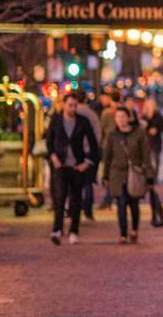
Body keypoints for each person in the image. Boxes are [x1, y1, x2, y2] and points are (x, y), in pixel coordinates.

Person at [44, 92, 99, 245]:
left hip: (77, 166)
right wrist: (53, 156)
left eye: (75, 106)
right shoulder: (56, 120)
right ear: (64, 105)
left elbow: (94, 144)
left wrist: (87, 162)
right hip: (60, 166)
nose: (73, 108)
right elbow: (48, 141)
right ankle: (57, 229)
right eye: (70, 105)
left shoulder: (83, 121)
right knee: (59, 198)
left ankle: (74, 231)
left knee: (76, 200)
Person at [102, 105, 154, 244]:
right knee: (121, 203)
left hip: (135, 174)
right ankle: (123, 233)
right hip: (117, 174)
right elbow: (108, 156)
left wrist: (149, 174)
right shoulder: (112, 135)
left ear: (129, 118)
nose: (120, 120)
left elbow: (146, 155)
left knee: (134, 204)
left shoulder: (138, 134)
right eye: (118, 117)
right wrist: (105, 175)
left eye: (123, 117)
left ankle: (134, 229)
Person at [140, 96, 163, 227]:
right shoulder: (143, 117)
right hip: (146, 147)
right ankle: (159, 215)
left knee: (152, 180)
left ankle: (157, 216)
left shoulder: (157, 116)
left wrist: (156, 129)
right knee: (150, 184)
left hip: (155, 145)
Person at [74, 89, 102, 221]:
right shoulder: (92, 114)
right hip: (89, 152)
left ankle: (74, 209)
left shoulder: (73, 113)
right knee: (88, 183)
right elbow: (98, 134)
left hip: (75, 153)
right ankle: (88, 211)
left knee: (74, 184)